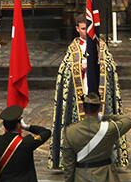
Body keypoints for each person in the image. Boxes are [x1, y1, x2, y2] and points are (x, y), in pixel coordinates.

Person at [51, 15, 126, 170]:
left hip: (98, 93)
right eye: (83, 29)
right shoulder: (72, 49)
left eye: (88, 28)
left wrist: (99, 66)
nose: (86, 32)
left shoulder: (102, 46)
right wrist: (78, 68)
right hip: (80, 94)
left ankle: (104, 155)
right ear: (77, 29)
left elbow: (111, 68)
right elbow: (64, 73)